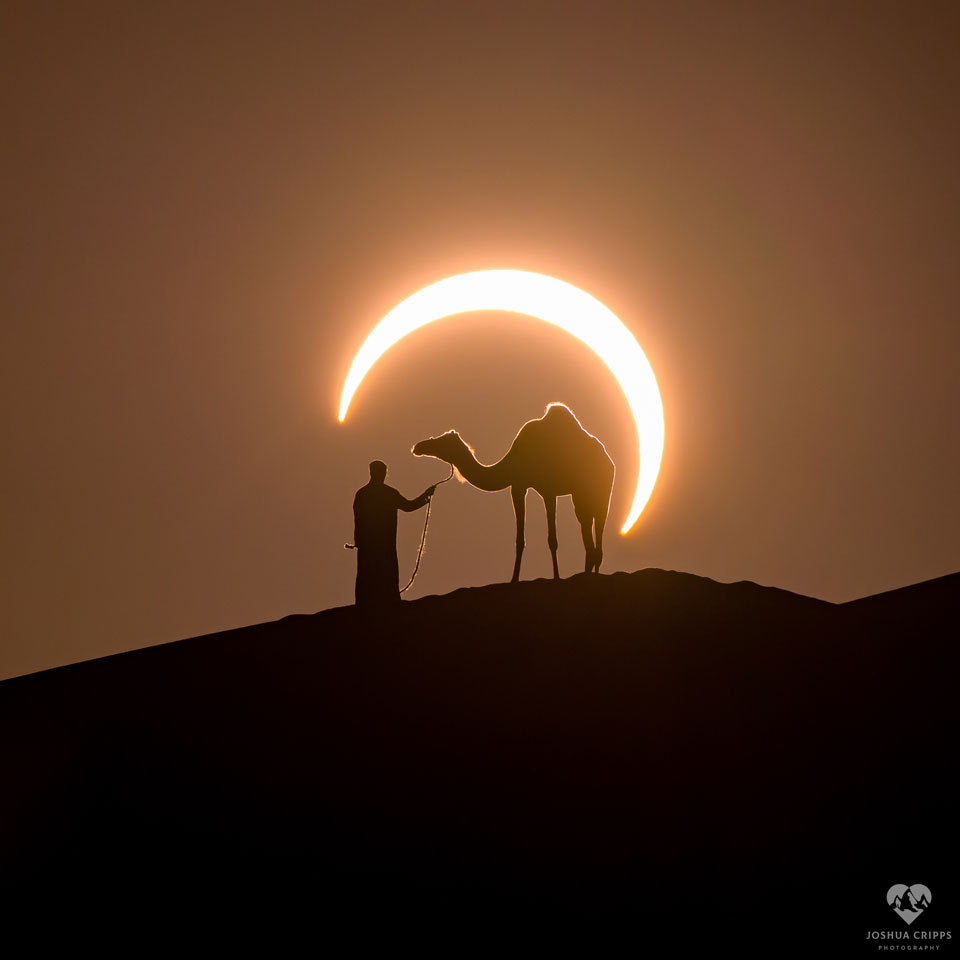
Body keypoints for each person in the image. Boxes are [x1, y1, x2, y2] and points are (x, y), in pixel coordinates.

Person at [352, 461, 436, 608]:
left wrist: (425, 496)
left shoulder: (363, 494)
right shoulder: (387, 494)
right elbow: (408, 506)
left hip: (369, 545)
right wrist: (425, 496)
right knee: (384, 575)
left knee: (368, 575)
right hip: (382, 545)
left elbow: (358, 519)